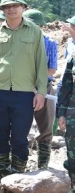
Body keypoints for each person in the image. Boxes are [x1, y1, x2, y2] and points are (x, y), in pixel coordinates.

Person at [0, 0, 47, 177]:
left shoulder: (34, 31)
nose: (11, 9)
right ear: (2, 9)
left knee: (19, 137)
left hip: (24, 94)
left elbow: (41, 62)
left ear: (23, 7)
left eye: (15, 5)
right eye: (7, 7)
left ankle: (17, 175)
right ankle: (2, 174)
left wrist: (41, 91)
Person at [22, 9, 58, 169]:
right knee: (19, 127)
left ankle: (43, 165)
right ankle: (18, 164)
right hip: (22, 88)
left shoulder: (49, 43)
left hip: (44, 88)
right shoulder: (19, 42)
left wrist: (37, 82)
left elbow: (52, 69)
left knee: (45, 128)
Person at [57, 49, 75, 189]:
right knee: (72, 153)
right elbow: (66, 85)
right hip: (72, 114)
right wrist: (62, 113)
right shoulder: (73, 56)